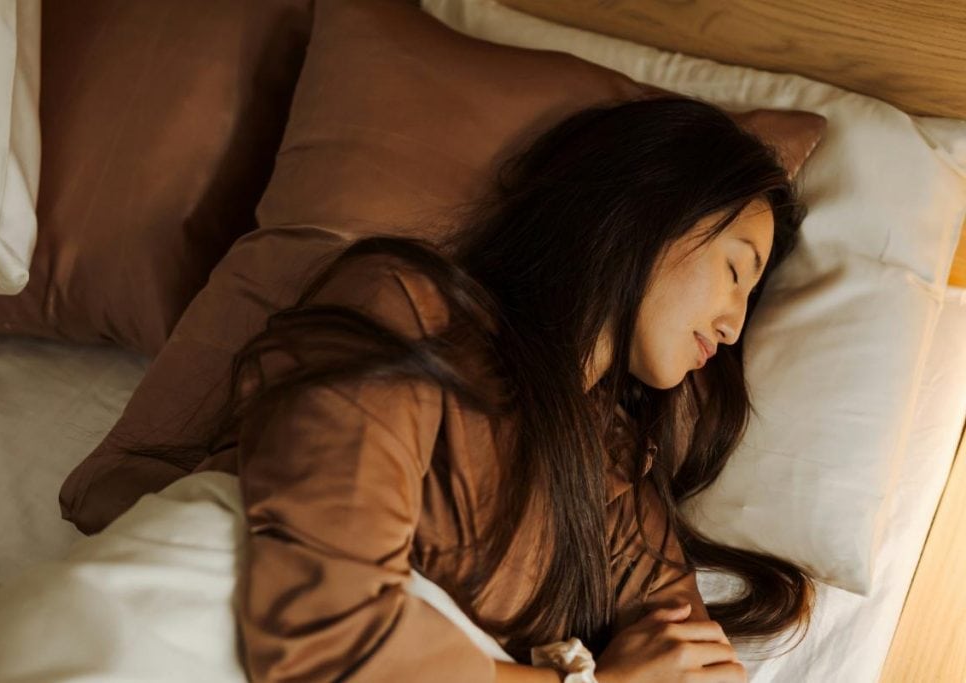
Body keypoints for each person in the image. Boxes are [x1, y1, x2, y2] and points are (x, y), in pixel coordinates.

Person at [189, 95, 815, 682]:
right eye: (735, 270)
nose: (733, 327)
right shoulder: (406, 309)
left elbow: (691, 664)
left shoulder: (615, 463)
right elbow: (320, 640)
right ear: (645, 215)